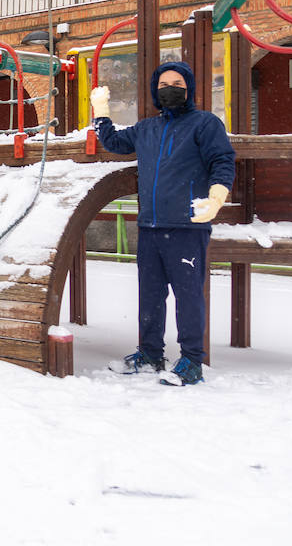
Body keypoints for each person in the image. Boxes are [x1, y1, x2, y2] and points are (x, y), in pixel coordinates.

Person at [92, 61, 236, 385]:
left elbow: (222, 160)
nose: (170, 88)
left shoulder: (205, 124)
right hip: (150, 227)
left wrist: (216, 197)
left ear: (189, 90)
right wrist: (100, 111)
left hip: (187, 226)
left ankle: (192, 361)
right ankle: (151, 354)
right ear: (156, 91)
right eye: (163, 84)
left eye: (177, 83)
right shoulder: (146, 129)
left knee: (188, 297)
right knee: (150, 295)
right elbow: (114, 143)